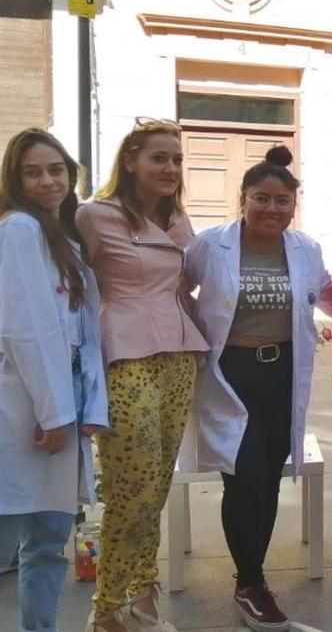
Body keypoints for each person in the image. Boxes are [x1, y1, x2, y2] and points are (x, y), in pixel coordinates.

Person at [183, 146, 332, 629]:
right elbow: (175, 288)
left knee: (267, 477)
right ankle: (249, 581)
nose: (272, 209)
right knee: (243, 474)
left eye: (282, 201)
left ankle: (253, 577)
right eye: (261, 199)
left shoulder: (306, 250)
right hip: (232, 373)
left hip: (283, 373)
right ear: (243, 199)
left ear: (294, 204)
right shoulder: (210, 245)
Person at [77, 117, 209, 632]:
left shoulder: (180, 222)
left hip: (178, 358)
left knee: (155, 487)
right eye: (159, 157)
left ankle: (142, 592)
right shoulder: (94, 215)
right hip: (124, 356)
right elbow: (72, 286)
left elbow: (187, 288)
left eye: (176, 160)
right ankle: (107, 608)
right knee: (130, 487)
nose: (171, 168)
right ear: (130, 161)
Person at [0, 128, 108, 632]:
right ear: (15, 180)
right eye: (32, 171)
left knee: (48, 539)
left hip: (59, 399)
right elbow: (28, 330)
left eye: (55, 170)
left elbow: (83, 333)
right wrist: (56, 414)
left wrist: (87, 408)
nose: (47, 181)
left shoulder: (60, 235)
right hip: (29, 406)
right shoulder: (19, 228)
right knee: (30, 537)